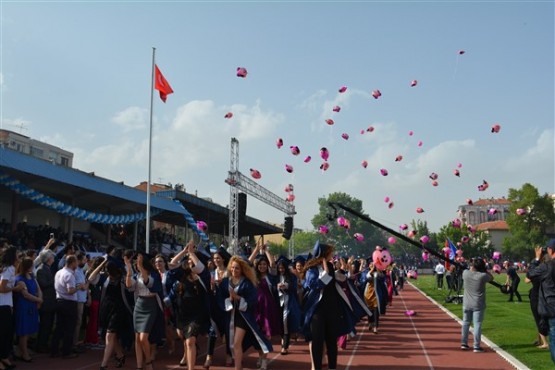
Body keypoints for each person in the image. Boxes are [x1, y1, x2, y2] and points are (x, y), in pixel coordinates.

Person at [217, 255, 272, 370]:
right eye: (232, 268)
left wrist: (238, 298)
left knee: (236, 343)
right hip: (230, 315)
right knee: (233, 343)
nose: (234, 270)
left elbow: (253, 300)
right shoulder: (225, 282)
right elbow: (220, 297)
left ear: (242, 269)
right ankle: (239, 365)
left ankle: (238, 367)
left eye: (237, 268)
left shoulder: (247, 283)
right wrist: (229, 300)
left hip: (244, 316)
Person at [302, 241, 343, 370]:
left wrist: (341, 275)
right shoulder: (311, 269)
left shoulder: (331, 266)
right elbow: (314, 285)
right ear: (324, 254)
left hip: (331, 308)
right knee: (317, 341)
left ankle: (332, 367)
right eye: (330, 252)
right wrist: (325, 273)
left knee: (332, 341)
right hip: (317, 310)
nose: (333, 254)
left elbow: (335, 282)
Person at [124, 252, 163, 370]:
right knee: (137, 338)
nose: (137, 266)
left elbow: (149, 283)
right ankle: (139, 365)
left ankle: (148, 361)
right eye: (136, 264)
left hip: (150, 305)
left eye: (139, 264)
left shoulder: (154, 275)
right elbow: (129, 287)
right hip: (139, 305)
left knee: (143, 338)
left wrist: (141, 267)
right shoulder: (136, 275)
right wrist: (129, 271)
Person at [51, 254, 86, 359]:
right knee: (69, 328)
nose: (77, 264)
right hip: (69, 303)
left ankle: (54, 350)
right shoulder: (69, 275)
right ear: (72, 263)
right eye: (76, 262)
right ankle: (66, 352)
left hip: (59, 301)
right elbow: (70, 291)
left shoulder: (58, 272)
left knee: (59, 327)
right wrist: (79, 287)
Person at [526, 240, 555, 365]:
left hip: (552, 307)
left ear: (551, 250)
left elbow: (529, 274)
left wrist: (536, 259)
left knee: (553, 340)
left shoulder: (547, 266)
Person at [460, 258, 493, 353]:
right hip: (478, 303)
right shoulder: (482, 276)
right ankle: (476, 346)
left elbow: (468, 269)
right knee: (477, 324)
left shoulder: (465, 273)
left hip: (466, 303)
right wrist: (484, 270)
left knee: (466, 323)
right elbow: (491, 278)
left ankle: (464, 343)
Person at [0, 246, 25, 370]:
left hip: (6, 305)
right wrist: (15, 288)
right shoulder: (8, 269)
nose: (19, 254)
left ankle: (4, 357)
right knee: (3, 334)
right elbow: (2, 288)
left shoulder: (9, 268)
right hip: (2, 306)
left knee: (7, 334)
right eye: (17, 253)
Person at [14, 257, 43, 362]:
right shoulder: (19, 279)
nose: (33, 267)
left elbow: (38, 288)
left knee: (29, 330)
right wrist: (38, 300)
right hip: (23, 307)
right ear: (27, 267)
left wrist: (39, 299)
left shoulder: (32, 276)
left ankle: (23, 349)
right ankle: (24, 353)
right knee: (24, 332)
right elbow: (25, 295)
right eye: (31, 265)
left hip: (32, 307)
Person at [524, 250, 550, 349]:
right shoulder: (549, 270)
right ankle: (540, 339)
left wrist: (535, 261)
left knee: (538, 318)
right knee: (544, 318)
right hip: (547, 296)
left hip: (536, 296)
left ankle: (545, 342)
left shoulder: (538, 271)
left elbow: (526, 279)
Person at [275, 256, 301, 355]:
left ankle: (284, 346)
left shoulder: (291, 276)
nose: (281, 270)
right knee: (280, 323)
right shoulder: (276, 277)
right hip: (278, 303)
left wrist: (286, 286)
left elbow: (294, 287)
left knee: (286, 323)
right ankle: (283, 339)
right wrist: (277, 287)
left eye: (282, 268)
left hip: (288, 302)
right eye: (279, 268)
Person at [35, 249, 57, 353]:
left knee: (48, 325)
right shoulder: (41, 269)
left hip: (50, 302)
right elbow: (43, 284)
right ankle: (40, 345)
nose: (53, 258)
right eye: (52, 257)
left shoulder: (47, 268)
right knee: (45, 325)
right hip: (46, 302)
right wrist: (54, 280)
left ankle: (44, 344)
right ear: (48, 259)